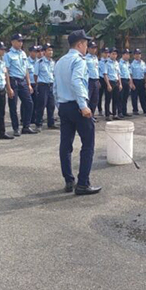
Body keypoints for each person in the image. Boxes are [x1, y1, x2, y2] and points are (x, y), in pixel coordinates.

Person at [54, 29, 101, 195]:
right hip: (77, 106)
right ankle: (83, 184)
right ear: (80, 44)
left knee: (65, 145)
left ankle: (69, 180)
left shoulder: (60, 62)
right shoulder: (79, 61)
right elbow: (76, 82)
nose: (87, 47)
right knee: (88, 145)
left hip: (64, 106)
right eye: (86, 44)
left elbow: (55, 87)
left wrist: (60, 105)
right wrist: (83, 105)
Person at [4, 33, 35, 136]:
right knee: (13, 106)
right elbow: (6, 72)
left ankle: (26, 126)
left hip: (23, 81)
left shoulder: (23, 53)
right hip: (13, 81)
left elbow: (25, 69)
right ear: (12, 42)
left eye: (21, 41)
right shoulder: (8, 55)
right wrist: (8, 87)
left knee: (29, 103)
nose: (20, 43)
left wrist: (29, 84)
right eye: (18, 41)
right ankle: (16, 128)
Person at [35, 43, 58, 130]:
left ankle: (51, 123)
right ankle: (39, 124)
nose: (51, 52)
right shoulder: (39, 62)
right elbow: (35, 75)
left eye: (51, 50)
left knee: (51, 105)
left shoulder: (53, 62)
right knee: (41, 105)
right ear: (44, 52)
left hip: (51, 85)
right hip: (43, 85)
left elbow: (54, 74)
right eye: (49, 50)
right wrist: (38, 85)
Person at [103, 48, 121, 121]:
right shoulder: (106, 63)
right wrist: (108, 84)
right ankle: (107, 115)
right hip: (110, 82)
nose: (114, 55)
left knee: (116, 99)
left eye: (116, 54)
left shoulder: (116, 63)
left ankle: (114, 114)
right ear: (109, 54)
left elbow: (118, 74)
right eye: (113, 54)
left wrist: (120, 84)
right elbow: (105, 74)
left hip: (116, 81)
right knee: (108, 99)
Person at [85, 41, 100, 123]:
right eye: (92, 48)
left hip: (96, 80)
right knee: (88, 98)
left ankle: (92, 115)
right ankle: (87, 116)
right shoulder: (85, 58)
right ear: (88, 48)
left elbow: (96, 70)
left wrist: (98, 81)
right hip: (89, 80)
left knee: (95, 99)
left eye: (95, 48)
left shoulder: (95, 58)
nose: (94, 50)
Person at [130, 48, 146, 116]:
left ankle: (145, 109)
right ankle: (135, 110)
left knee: (143, 96)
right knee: (134, 97)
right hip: (135, 81)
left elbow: (145, 73)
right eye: (136, 54)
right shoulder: (132, 64)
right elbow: (130, 74)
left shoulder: (143, 63)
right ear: (134, 55)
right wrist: (131, 83)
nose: (138, 55)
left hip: (142, 81)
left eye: (139, 54)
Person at [118, 49, 135, 118]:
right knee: (120, 97)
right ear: (123, 55)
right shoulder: (119, 63)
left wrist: (131, 82)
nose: (128, 56)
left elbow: (129, 73)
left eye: (129, 54)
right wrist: (119, 83)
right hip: (122, 80)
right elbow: (118, 74)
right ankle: (119, 112)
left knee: (125, 97)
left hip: (127, 80)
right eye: (126, 54)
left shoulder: (128, 63)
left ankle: (124, 111)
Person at [27, 45, 40, 126]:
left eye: (36, 52)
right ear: (30, 52)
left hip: (36, 84)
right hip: (29, 83)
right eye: (34, 52)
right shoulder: (26, 61)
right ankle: (25, 118)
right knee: (28, 102)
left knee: (36, 102)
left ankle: (33, 118)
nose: (35, 53)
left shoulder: (38, 61)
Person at [97, 47, 109, 116]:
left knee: (108, 95)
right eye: (105, 53)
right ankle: (100, 109)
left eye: (107, 53)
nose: (106, 54)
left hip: (108, 79)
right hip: (101, 78)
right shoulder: (99, 62)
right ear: (102, 53)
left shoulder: (109, 61)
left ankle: (107, 110)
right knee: (100, 95)